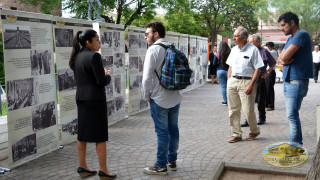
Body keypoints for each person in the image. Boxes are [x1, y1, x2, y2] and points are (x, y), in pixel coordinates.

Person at [69, 29, 116, 179]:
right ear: (88, 42)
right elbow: (100, 81)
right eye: (97, 40)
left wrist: (101, 75)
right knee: (100, 136)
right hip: (95, 100)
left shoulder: (77, 57)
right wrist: (107, 75)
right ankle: (104, 170)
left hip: (82, 99)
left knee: (82, 134)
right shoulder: (94, 56)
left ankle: (82, 166)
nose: (99, 43)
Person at [142, 21, 182, 175]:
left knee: (162, 132)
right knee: (173, 129)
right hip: (175, 97)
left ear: (156, 34)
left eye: (147, 33)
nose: (145, 37)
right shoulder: (173, 47)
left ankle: (160, 166)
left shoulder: (153, 50)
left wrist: (146, 96)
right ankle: (172, 161)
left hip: (159, 98)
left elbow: (146, 78)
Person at [277, 12, 313, 145]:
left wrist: (283, 58)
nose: (282, 28)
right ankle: (297, 143)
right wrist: (283, 58)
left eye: (283, 25)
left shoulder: (301, 34)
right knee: (292, 114)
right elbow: (280, 57)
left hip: (296, 81)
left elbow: (284, 57)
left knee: (291, 115)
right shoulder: (291, 38)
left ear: (292, 22)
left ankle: (295, 146)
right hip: (289, 80)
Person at [226, 26, 264, 143]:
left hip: (246, 81)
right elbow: (230, 66)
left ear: (244, 38)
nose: (234, 38)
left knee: (248, 110)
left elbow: (257, 69)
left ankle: (254, 131)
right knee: (233, 110)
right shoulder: (234, 50)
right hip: (233, 81)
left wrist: (251, 85)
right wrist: (229, 81)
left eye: (236, 36)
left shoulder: (253, 50)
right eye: (234, 36)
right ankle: (236, 134)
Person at [241, 35, 276, 127]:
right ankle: (247, 119)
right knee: (247, 99)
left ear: (258, 42)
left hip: (260, 78)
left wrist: (267, 73)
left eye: (252, 42)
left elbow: (273, 63)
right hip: (248, 77)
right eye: (249, 42)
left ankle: (262, 118)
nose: (250, 44)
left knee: (260, 99)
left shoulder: (264, 51)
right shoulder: (247, 51)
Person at [214, 41, 230, 105]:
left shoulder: (218, 54)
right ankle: (231, 101)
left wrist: (219, 64)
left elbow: (214, 63)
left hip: (220, 71)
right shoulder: (230, 53)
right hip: (229, 71)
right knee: (230, 87)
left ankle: (225, 101)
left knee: (223, 87)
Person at [265, 42, 278, 111]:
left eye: (268, 46)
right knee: (266, 88)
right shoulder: (269, 51)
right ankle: (266, 103)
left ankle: (271, 105)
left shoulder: (273, 52)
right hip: (267, 72)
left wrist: (263, 47)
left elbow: (267, 51)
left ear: (272, 47)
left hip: (270, 72)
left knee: (270, 88)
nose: (267, 48)